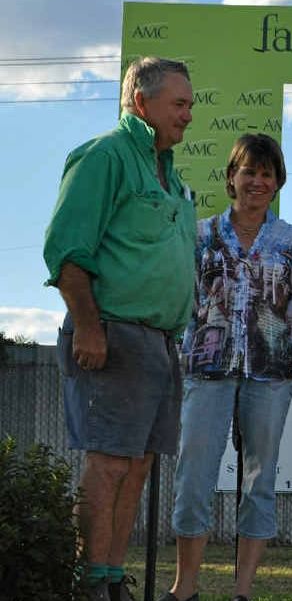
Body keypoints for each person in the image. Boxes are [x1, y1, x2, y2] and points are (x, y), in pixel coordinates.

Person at [43, 56, 196, 601]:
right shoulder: (105, 156)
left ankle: (111, 580)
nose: (188, 116)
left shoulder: (169, 172)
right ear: (141, 103)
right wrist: (88, 327)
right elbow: (66, 251)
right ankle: (89, 583)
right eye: (179, 104)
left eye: (190, 105)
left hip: (159, 341)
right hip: (111, 333)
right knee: (108, 463)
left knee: (137, 465)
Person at [159, 134, 292, 601]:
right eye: (249, 171)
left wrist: (289, 350)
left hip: (271, 373)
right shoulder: (201, 235)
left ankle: (242, 590)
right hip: (208, 370)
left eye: (267, 174)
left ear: (278, 181)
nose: (258, 182)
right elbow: (184, 299)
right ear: (231, 177)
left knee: (260, 481)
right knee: (193, 477)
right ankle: (185, 588)